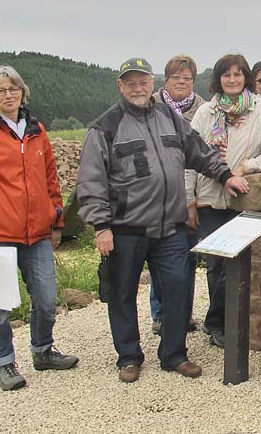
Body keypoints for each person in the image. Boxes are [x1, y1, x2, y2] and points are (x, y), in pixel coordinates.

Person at [77, 57, 249, 383]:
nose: (138, 88)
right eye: (131, 83)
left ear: (151, 83)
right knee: (122, 294)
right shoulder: (105, 127)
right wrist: (101, 227)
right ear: (120, 85)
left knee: (178, 290)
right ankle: (129, 357)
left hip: (171, 226)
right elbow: (91, 181)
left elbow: (199, 151)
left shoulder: (169, 118)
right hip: (126, 228)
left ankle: (174, 354)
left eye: (143, 82)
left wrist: (225, 176)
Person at [0, 65, 79, 390]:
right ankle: (3, 363)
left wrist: (57, 221)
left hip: (37, 232)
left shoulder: (36, 130)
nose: (8, 95)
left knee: (47, 300)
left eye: (13, 89)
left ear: (22, 92)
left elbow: (51, 179)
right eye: (1, 90)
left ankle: (42, 350)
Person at [186, 53, 261, 348]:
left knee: (240, 263)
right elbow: (190, 158)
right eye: (226, 74)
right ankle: (218, 323)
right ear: (218, 79)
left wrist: (246, 167)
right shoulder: (206, 113)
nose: (232, 79)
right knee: (216, 265)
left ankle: (230, 319)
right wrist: (188, 200)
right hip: (210, 199)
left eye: (237, 74)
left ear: (245, 78)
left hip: (245, 198)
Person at [148, 55, 205, 336]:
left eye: (187, 78)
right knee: (159, 258)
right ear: (165, 80)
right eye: (175, 77)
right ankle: (160, 313)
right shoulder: (149, 106)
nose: (181, 82)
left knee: (186, 256)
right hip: (156, 196)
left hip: (190, 193)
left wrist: (192, 199)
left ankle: (183, 313)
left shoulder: (203, 109)